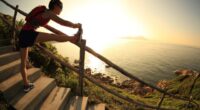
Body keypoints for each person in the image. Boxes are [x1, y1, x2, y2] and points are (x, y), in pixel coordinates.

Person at [19, 0, 81, 93]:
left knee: (23, 63)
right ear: (55, 6)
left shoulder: (44, 12)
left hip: (23, 34)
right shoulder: (49, 13)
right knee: (53, 37)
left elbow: (38, 22)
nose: (61, 9)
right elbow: (62, 22)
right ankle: (73, 38)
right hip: (29, 34)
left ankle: (26, 85)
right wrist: (75, 25)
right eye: (61, 6)